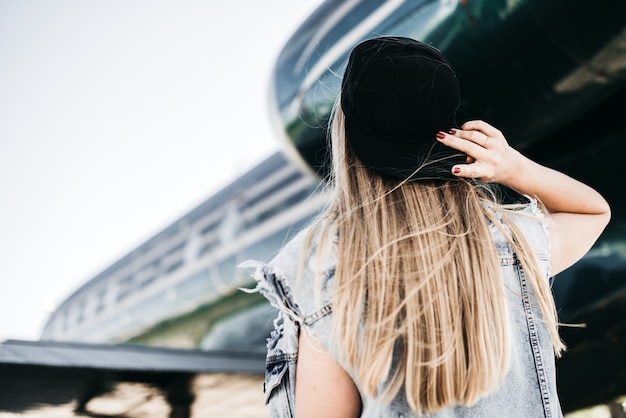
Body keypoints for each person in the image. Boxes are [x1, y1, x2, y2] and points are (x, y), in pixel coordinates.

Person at [242, 36, 610, 417]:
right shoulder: (509, 243)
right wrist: (514, 167)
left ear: (345, 134)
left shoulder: (320, 269)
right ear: (448, 134)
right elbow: (592, 212)